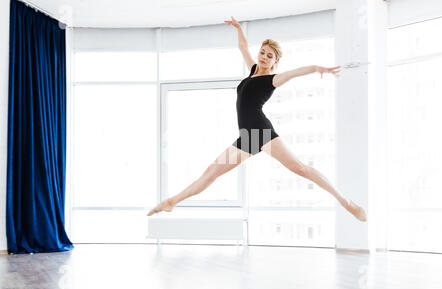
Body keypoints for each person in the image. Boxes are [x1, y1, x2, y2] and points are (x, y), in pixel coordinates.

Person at [147, 16, 367, 222]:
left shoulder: (273, 79)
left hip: (261, 131)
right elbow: (243, 47)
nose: (263, 57)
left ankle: (346, 202)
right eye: (262, 52)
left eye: (269, 56)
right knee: (212, 172)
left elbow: (295, 72)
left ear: (275, 61)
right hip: (247, 137)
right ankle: (171, 202)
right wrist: (239, 28)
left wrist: (316, 68)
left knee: (300, 169)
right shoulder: (253, 70)